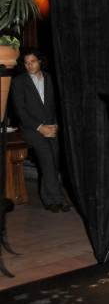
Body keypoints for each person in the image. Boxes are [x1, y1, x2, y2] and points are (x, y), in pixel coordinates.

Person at [11, 49, 70, 213]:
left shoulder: (50, 79)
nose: (29, 65)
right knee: (47, 158)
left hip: (51, 127)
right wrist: (40, 127)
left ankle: (50, 198)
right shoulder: (19, 82)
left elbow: (56, 105)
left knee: (53, 161)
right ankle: (58, 198)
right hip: (31, 129)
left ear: (40, 62)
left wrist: (56, 125)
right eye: (26, 62)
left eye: (33, 61)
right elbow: (20, 111)